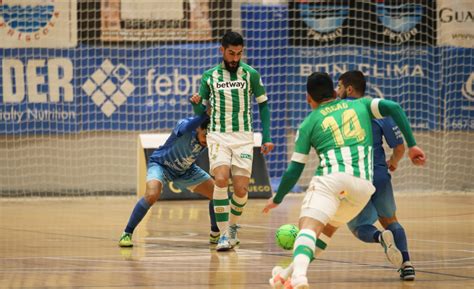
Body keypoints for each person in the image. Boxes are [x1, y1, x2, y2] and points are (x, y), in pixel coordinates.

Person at [263, 72, 426, 289]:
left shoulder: (309, 122)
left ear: (307, 98)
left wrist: (278, 197)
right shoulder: (362, 105)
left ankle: (299, 278)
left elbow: (294, 169)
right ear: (333, 92)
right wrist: (413, 145)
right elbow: (394, 107)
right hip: (363, 186)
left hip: (332, 179)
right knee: (328, 229)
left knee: (308, 227)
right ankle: (285, 274)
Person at [191, 31, 275, 251]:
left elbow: (263, 105)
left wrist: (266, 136)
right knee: (220, 179)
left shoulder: (251, 75)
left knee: (240, 188)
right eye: (231, 53)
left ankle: (233, 229)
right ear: (222, 50)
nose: (235, 58)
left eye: (239, 53)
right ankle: (224, 234)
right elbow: (202, 111)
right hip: (218, 134)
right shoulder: (209, 76)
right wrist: (196, 104)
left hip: (243, 137)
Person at [338, 70, 415, 280]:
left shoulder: (337, 112)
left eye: (339, 87)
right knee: (391, 220)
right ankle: (407, 264)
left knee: (359, 227)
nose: (337, 91)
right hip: (379, 175)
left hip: (354, 178)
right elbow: (399, 147)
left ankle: (380, 237)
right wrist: (393, 162)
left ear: (349, 89)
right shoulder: (378, 112)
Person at [118, 114, 215, 247]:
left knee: (217, 194)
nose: (206, 141)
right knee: (152, 194)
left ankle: (215, 233)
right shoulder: (184, 125)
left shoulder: (209, 135)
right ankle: (127, 233)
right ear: (198, 128)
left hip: (186, 170)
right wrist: (204, 113)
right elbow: (188, 126)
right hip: (161, 165)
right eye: (205, 136)